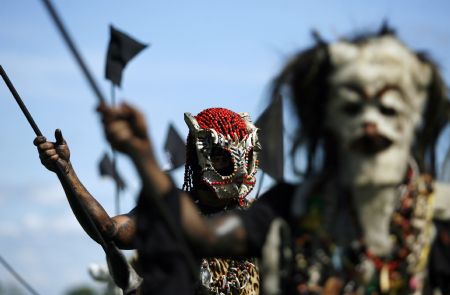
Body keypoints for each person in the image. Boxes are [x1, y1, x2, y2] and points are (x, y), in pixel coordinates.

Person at [100, 26, 450, 295]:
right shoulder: (290, 207)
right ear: (328, 123)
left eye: (388, 109)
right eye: (352, 109)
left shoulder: (439, 215)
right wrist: (143, 156)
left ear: (411, 118)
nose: (371, 126)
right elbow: (203, 234)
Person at [33, 107, 261, 294]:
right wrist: (66, 172)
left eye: (245, 157)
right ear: (200, 159)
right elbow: (108, 230)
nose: (236, 168)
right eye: (221, 158)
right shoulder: (171, 211)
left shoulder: (257, 216)